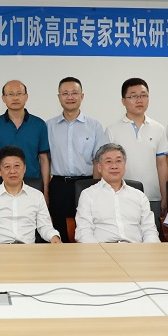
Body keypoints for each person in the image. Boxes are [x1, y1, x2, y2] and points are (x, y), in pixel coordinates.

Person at [104, 78, 168, 238]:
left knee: (151, 239)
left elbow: (162, 164)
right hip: (121, 196)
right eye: (133, 96)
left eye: (143, 95)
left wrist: (164, 196)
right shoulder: (112, 130)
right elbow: (106, 166)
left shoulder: (159, 129)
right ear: (123, 101)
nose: (139, 100)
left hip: (152, 196)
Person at [45, 76, 107, 242]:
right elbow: (45, 160)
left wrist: (95, 187)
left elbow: (98, 161)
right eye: (65, 93)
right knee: (59, 229)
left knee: (87, 227)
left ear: (82, 96)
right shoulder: (49, 126)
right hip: (59, 184)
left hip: (86, 183)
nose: (70, 97)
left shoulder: (94, 126)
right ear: (59, 97)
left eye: (74, 93)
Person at [0, 146, 61, 244]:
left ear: (24, 168)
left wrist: (54, 237)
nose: (12, 171)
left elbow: (45, 226)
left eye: (17, 166)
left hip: (27, 250)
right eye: (7, 167)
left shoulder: (37, 196)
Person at [75, 143, 160, 244]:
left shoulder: (139, 196)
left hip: (135, 250)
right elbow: (84, 232)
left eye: (118, 161)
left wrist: (148, 251)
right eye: (108, 161)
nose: (114, 166)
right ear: (99, 167)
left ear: (125, 165)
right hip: (102, 249)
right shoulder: (88, 195)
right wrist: (98, 251)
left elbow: (150, 231)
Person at [0, 80, 50, 199]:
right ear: (3, 98)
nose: (15, 98)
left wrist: (45, 190)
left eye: (19, 93)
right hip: (1, 186)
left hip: (33, 185)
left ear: (26, 96)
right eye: (10, 94)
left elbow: (44, 159)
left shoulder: (39, 124)